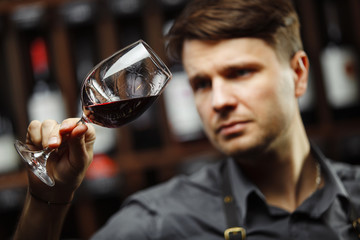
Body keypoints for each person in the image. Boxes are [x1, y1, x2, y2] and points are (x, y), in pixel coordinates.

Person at [14, 0, 360, 239]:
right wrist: (49, 200)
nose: (219, 101)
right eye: (201, 84)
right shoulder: (157, 223)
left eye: (240, 73)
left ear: (298, 74)